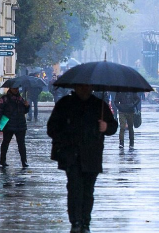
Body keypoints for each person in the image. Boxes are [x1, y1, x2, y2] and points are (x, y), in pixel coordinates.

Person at [47, 84, 118, 233]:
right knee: (74, 188)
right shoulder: (65, 104)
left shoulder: (99, 105)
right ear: (76, 87)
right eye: (81, 87)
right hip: (71, 155)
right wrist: (65, 136)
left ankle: (85, 222)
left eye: (87, 87)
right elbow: (52, 128)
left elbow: (112, 126)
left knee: (88, 191)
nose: (84, 89)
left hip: (92, 155)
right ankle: (76, 222)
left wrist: (106, 127)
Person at [0, 86, 30, 168]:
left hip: (20, 124)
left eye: (17, 88)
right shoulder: (4, 99)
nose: (16, 90)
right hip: (9, 124)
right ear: (10, 89)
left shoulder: (21, 99)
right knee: (5, 142)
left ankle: (24, 161)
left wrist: (27, 106)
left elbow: (24, 111)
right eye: (14, 88)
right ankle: (3, 161)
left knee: (21, 144)